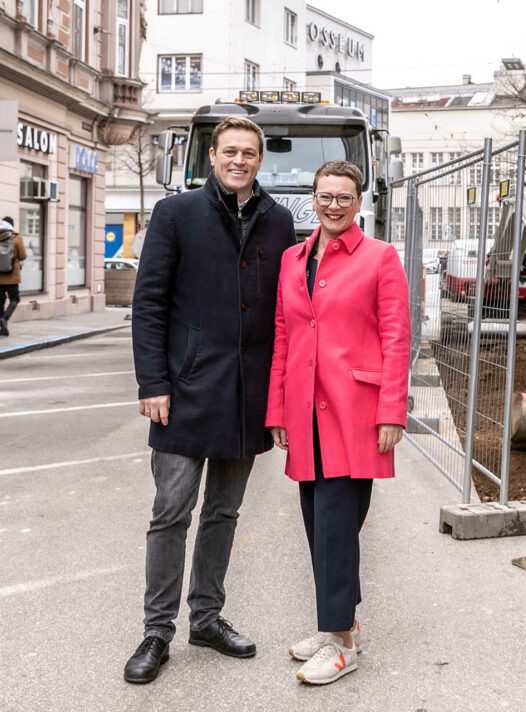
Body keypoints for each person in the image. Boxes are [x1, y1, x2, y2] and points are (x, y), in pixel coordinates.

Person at [125, 116, 296, 684]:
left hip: (245, 398)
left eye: (249, 153)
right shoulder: (176, 215)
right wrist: (153, 383)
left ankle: (207, 616)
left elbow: (285, 312)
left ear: (259, 159)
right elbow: (148, 303)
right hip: (184, 390)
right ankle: (156, 632)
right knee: (170, 512)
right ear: (212, 156)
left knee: (224, 512)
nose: (239, 161)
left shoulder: (277, 222)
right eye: (230, 152)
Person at [266, 160, 410, 686]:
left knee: (334, 524)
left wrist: (393, 410)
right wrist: (276, 410)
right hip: (304, 409)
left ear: (358, 202)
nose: (333, 205)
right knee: (318, 523)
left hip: (356, 412)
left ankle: (344, 643)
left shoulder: (380, 258)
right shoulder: (292, 259)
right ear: (313, 197)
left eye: (344, 197)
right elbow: (284, 337)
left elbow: (397, 337)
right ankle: (336, 626)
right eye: (325, 196)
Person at [0, 218, 27, 337]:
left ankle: (1, 326)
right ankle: (5, 318)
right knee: (15, 299)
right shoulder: (16, 238)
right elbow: (23, 256)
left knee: (0, 301)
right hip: (12, 276)